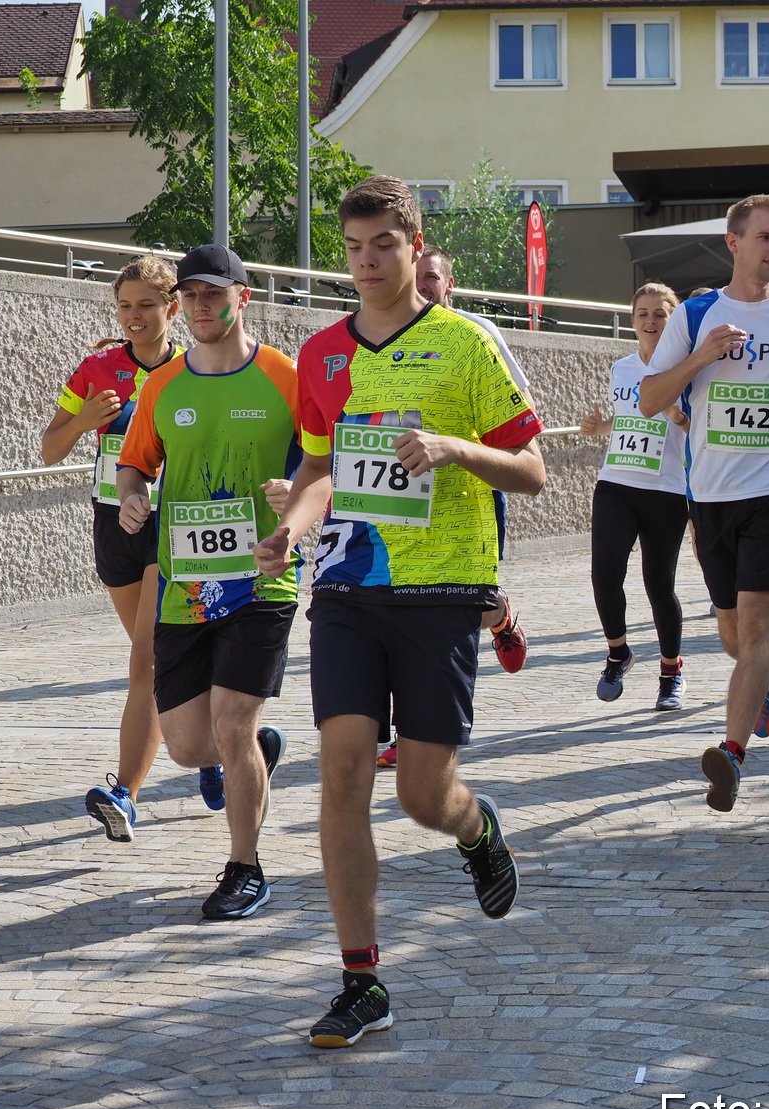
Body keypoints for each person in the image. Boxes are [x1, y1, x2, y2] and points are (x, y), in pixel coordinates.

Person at [257, 175, 545, 1048]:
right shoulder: (321, 355)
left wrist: (457, 447)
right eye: (352, 249)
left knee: (423, 793)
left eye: (384, 245)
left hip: (444, 587)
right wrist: (289, 535)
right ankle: (361, 980)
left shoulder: (468, 344)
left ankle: (477, 825)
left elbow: (532, 470)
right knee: (343, 768)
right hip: (348, 586)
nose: (368, 263)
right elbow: (320, 472)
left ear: (416, 248)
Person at [103, 244, 294, 919]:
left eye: (215, 293)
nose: (202, 306)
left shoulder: (284, 377)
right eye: (192, 295)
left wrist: (293, 494)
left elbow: (325, 466)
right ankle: (256, 759)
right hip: (186, 583)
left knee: (233, 722)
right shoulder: (162, 386)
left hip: (261, 581)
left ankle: (245, 867)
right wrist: (131, 497)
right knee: (188, 745)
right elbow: (134, 466)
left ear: (244, 297)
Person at [639, 194, 769, 813]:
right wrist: (701, 357)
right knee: (732, 633)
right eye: (766, 238)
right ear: (734, 243)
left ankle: (730, 753)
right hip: (712, 496)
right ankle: (760, 690)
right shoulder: (695, 314)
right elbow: (649, 399)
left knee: (754, 626)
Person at [366, 246, 532, 770]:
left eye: (433, 278)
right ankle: (398, 732)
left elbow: (518, 422)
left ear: (449, 283)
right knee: (388, 603)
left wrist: (460, 446)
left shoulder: (475, 335)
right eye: (421, 277)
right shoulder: (367, 338)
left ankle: (500, 616)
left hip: (466, 497)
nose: (426, 285)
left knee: (472, 607)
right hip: (392, 498)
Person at [44, 258, 193, 837]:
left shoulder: (193, 368)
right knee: (161, 660)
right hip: (114, 523)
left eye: (146, 306)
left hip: (173, 527)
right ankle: (226, 748)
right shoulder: (96, 367)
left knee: (147, 661)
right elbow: (49, 449)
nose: (134, 317)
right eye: (125, 306)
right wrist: (82, 421)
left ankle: (125, 792)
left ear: (171, 309)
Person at [579, 283, 691, 709]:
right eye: (642, 313)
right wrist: (600, 427)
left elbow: (693, 429)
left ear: (673, 320)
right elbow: (628, 422)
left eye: (660, 314)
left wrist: (673, 410)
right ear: (633, 320)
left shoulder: (688, 368)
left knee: (658, 584)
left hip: (664, 490)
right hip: (616, 484)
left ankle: (670, 671)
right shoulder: (621, 368)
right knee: (605, 574)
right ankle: (618, 652)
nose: (650, 321)